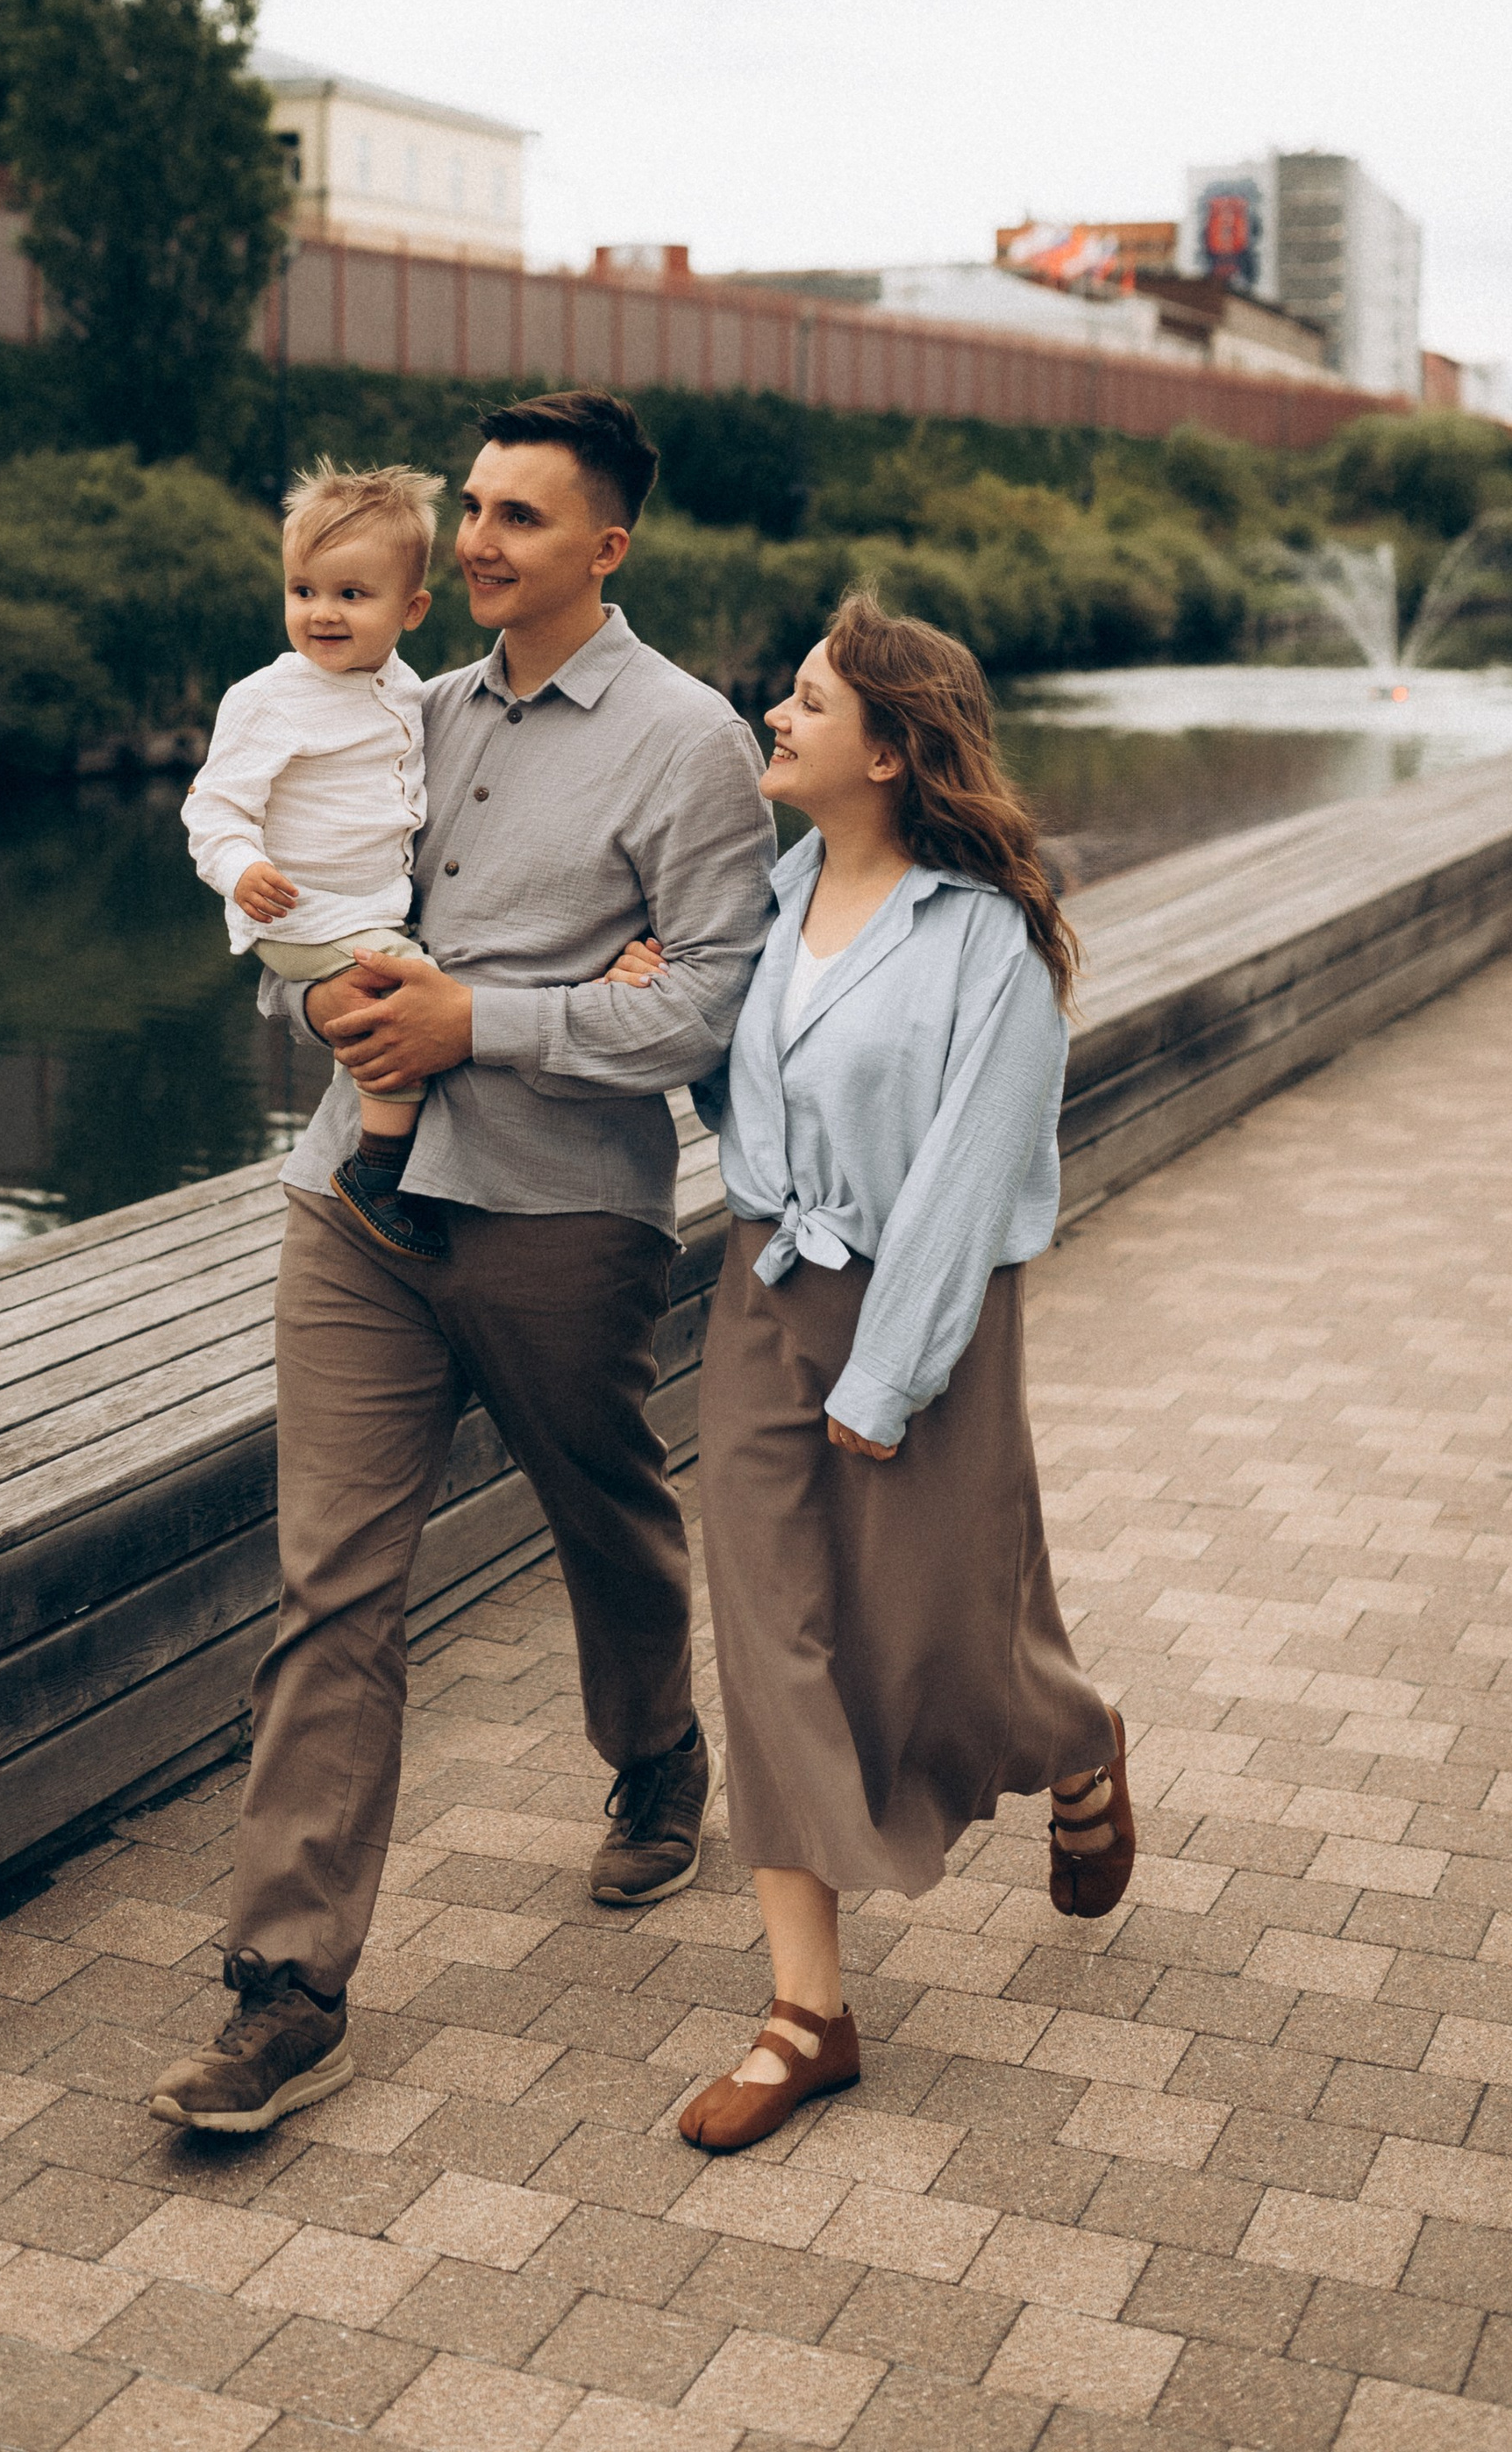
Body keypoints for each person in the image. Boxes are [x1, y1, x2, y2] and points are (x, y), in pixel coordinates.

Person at [149, 390, 774, 2135]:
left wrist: (475, 1020)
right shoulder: (398, 711)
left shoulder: (687, 743)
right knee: (332, 1589)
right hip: (352, 1205)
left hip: (560, 1217)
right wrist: (331, 988)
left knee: (605, 1515)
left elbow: (713, 997)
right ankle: (285, 1986)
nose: (478, 538)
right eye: (474, 507)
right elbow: (305, 903)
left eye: (516, 516)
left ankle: (654, 1753)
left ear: (607, 546)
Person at [671, 592, 1134, 2156]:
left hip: (923, 1314)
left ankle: (1072, 1736)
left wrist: (888, 1373)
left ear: (888, 744)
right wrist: (661, 997)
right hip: (761, 1292)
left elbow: (964, 1173)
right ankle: (808, 2012)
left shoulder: (985, 937)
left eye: (806, 697)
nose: (776, 715)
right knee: (769, 1633)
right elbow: (740, 1096)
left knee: (936, 1628)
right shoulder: (764, 897)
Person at [183, 460, 450, 1260]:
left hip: (369, 901)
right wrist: (239, 869)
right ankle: (377, 1171)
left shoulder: (408, 688)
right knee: (402, 1002)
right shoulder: (268, 699)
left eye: (350, 595)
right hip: (302, 908)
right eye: (304, 591)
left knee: (416, 984)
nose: (322, 614)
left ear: (412, 609)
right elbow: (213, 806)